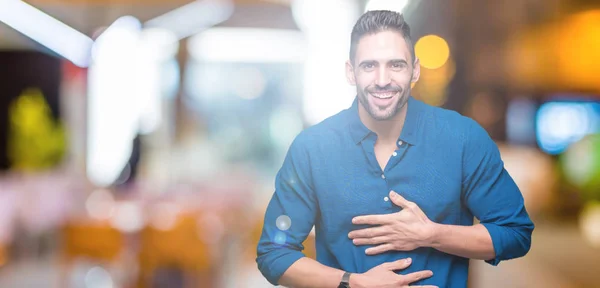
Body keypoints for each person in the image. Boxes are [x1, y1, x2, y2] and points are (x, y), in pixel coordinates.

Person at [256, 10, 534, 288]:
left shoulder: (463, 138)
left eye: (396, 65)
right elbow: (274, 252)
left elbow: (514, 233)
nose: (382, 79)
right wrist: (352, 283)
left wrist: (432, 235)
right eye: (369, 66)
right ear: (350, 72)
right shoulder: (312, 148)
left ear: (415, 69)